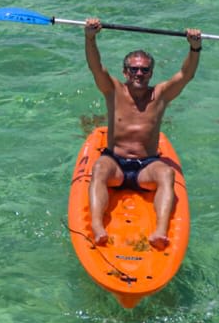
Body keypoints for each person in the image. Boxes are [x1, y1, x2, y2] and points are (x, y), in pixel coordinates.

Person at [84, 19, 203, 248]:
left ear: (151, 73)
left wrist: (194, 47)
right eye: (134, 69)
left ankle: (160, 232)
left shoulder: (160, 95)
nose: (139, 73)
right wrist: (90, 37)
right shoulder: (113, 90)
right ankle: (98, 227)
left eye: (144, 69)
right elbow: (95, 66)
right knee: (99, 168)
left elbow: (185, 75)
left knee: (167, 174)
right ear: (125, 72)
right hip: (115, 163)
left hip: (146, 166)